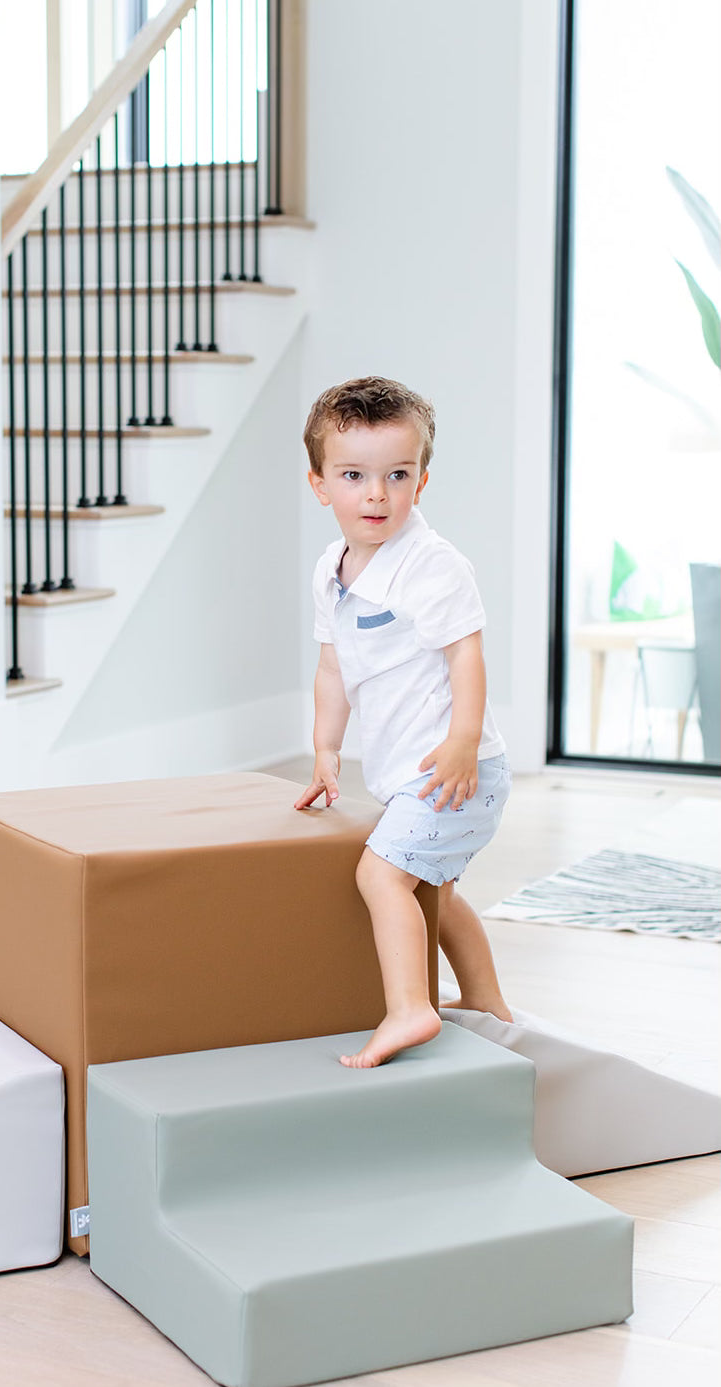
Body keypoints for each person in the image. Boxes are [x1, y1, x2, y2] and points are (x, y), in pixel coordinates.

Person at [294, 376, 512, 1068]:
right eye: (353, 475)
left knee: (380, 876)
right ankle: (484, 1001)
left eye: (397, 474)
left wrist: (462, 743)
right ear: (319, 483)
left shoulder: (432, 565)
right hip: (410, 770)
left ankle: (409, 1008)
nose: (376, 494)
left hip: (453, 769)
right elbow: (332, 670)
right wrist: (326, 749)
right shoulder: (331, 569)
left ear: (420, 482)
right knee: (433, 889)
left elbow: (466, 656)